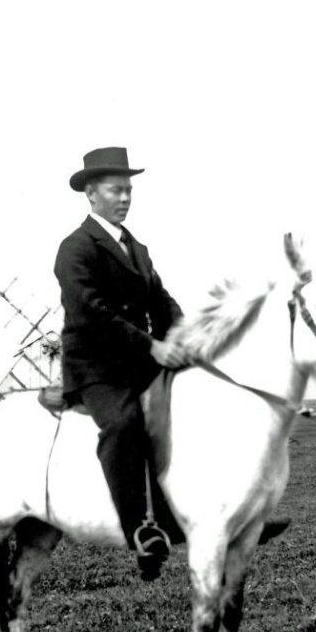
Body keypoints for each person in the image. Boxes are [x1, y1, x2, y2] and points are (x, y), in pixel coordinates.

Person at [54, 147, 186, 579]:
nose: (126, 198)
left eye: (129, 190)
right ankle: (143, 531)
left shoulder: (138, 248)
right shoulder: (75, 248)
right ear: (92, 195)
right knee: (124, 423)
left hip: (137, 360)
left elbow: (161, 300)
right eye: (116, 190)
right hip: (97, 368)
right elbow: (91, 312)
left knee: (196, 401)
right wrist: (151, 347)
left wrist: (185, 337)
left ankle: (217, 512)